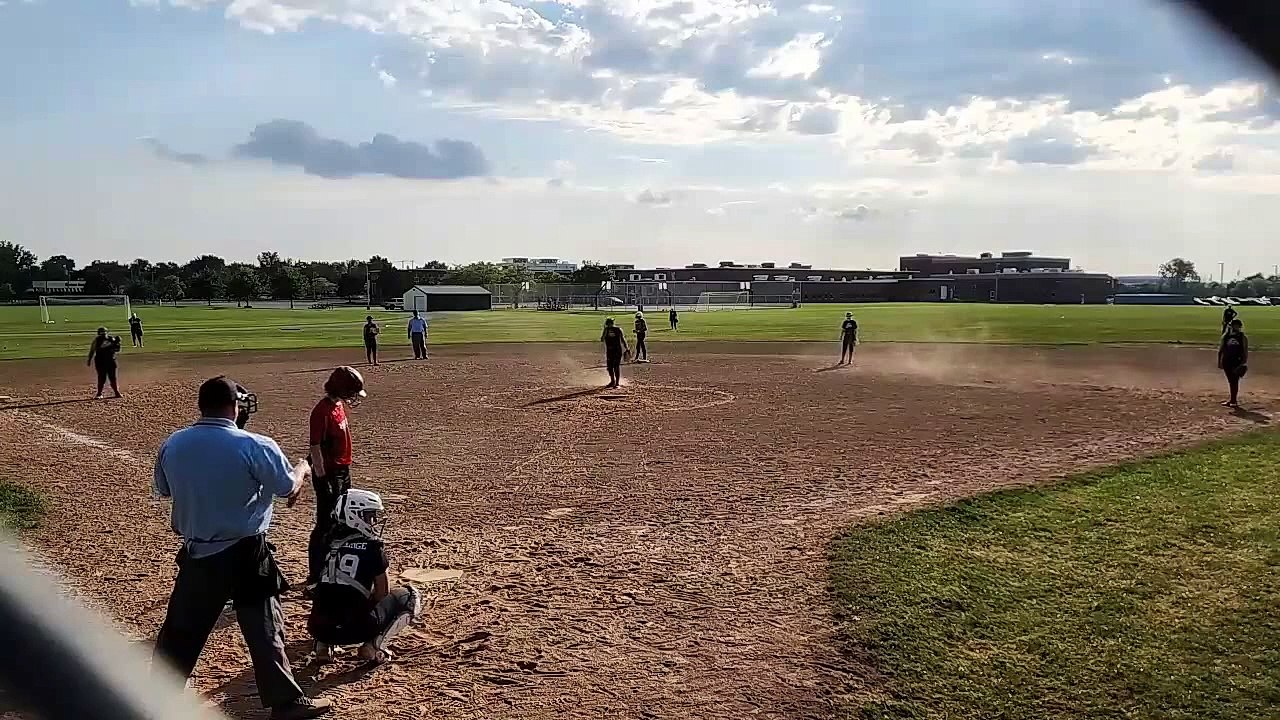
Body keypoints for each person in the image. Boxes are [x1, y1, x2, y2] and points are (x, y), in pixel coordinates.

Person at [152, 376, 333, 720]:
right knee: (264, 628)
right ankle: (286, 703)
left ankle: (150, 698)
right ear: (234, 406)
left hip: (196, 552)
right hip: (246, 553)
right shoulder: (255, 444)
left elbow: (163, 489)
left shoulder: (173, 443)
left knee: (179, 632)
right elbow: (287, 489)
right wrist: (304, 468)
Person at [309, 489, 421, 664]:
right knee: (409, 596)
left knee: (329, 597)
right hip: (357, 630)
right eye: (369, 516)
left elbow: (316, 585)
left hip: (318, 627)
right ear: (355, 516)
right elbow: (382, 593)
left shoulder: (324, 542)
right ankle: (372, 646)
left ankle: (323, 646)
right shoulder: (372, 547)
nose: (374, 521)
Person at [306, 366, 367, 590]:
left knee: (341, 520)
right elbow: (315, 447)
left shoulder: (338, 406)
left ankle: (335, 566)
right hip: (329, 474)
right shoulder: (321, 411)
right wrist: (323, 480)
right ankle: (315, 574)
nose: (352, 397)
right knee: (325, 523)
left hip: (342, 470)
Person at [1218, 318, 1248, 408]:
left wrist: (1243, 362)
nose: (1235, 327)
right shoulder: (1226, 336)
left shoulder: (1242, 337)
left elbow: (1245, 350)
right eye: (1234, 325)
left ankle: (1233, 400)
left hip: (1237, 361)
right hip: (1227, 361)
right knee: (1231, 381)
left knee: (1234, 381)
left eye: (1237, 326)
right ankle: (1232, 400)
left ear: (1240, 327)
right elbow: (1221, 349)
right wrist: (1219, 361)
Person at [87, 327, 123, 399]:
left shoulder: (111, 339)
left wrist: (118, 344)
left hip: (110, 361)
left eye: (104, 332)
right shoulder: (97, 340)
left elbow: (117, 350)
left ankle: (116, 392)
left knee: (112, 378)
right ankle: (99, 393)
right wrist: (89, 359)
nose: (103, 334)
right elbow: (92, 350)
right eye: (101, 332)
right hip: (101, 361)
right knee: (102, 378)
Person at [601, 318, 629, 388]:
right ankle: (613, 382)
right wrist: (626, 348)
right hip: (613, 351)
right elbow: (602, 339)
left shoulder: (614, 329)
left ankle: (616, 382)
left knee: (614, 367)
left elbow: (622, 339)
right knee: (611, 367)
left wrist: (627, 347)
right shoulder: (611, 330)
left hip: (614, 351)